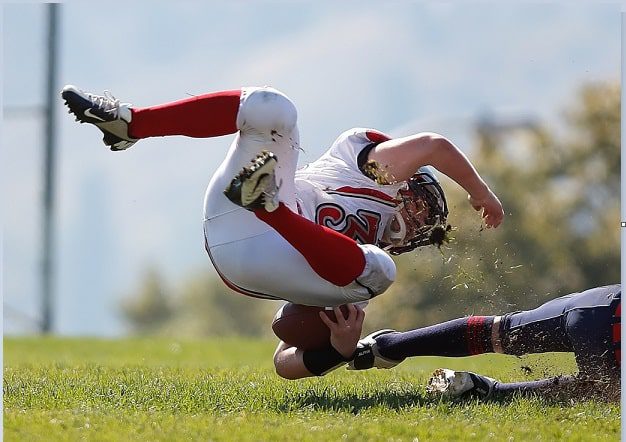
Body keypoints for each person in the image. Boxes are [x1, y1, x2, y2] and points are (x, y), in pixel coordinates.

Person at [61, 84, 503, 311]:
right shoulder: (371, 172)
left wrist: (342, 349)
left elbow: (289, 351)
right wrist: (480, 193)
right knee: (274, 109)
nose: (422, 221)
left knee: (378, 274)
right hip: (239, 215)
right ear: (408, 184)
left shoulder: (358, 265)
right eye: (426, 205)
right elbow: (433, 145)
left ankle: (271, 207)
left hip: (270, 257)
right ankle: (131, 124)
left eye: (428, 225)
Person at [274, 284, 621, 402]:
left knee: (500, 331)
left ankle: (385, 347)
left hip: (597, 302)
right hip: (608, 321)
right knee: (605, 393)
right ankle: (490, 391)